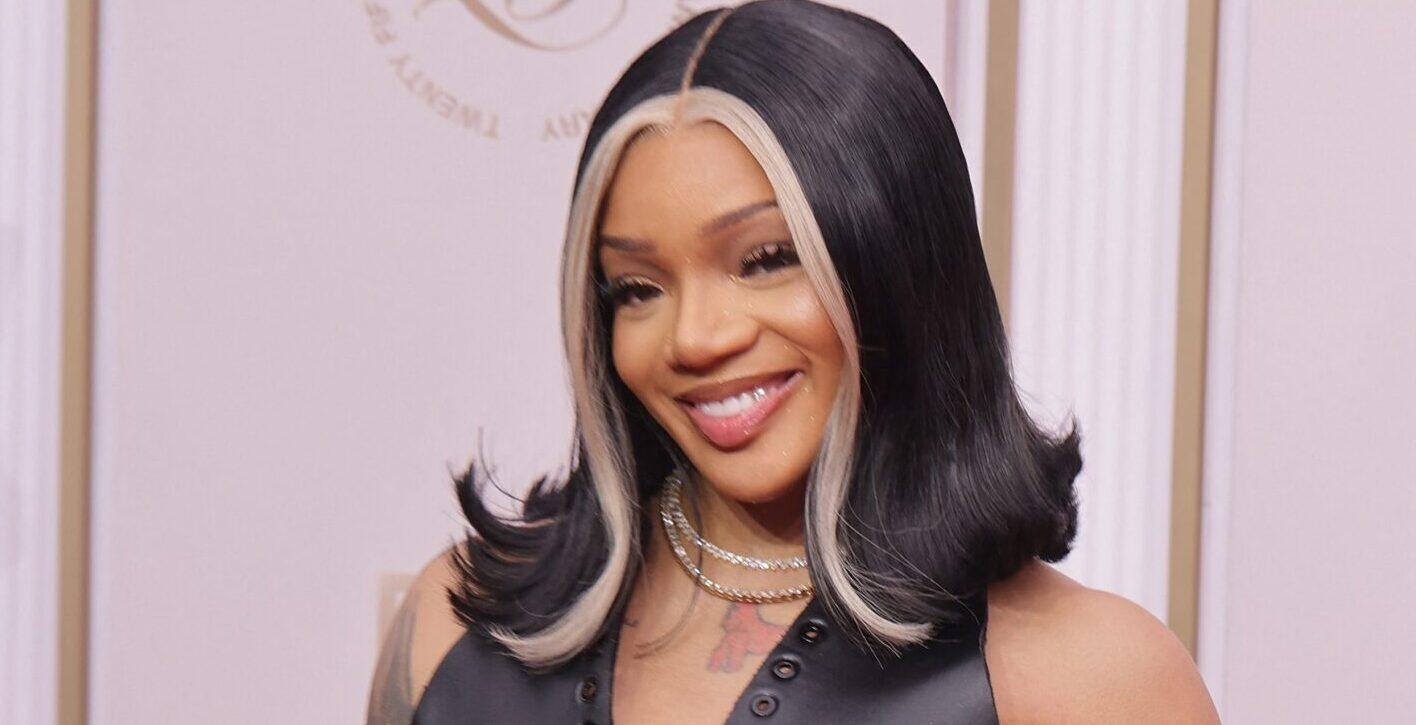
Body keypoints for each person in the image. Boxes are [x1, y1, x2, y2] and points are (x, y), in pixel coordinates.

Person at [367, 1, 1219, 722]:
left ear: (897, 266)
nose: (694, 338)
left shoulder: (1087, 678)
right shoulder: (456, 627)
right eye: (638, 287)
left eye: (766, 259)